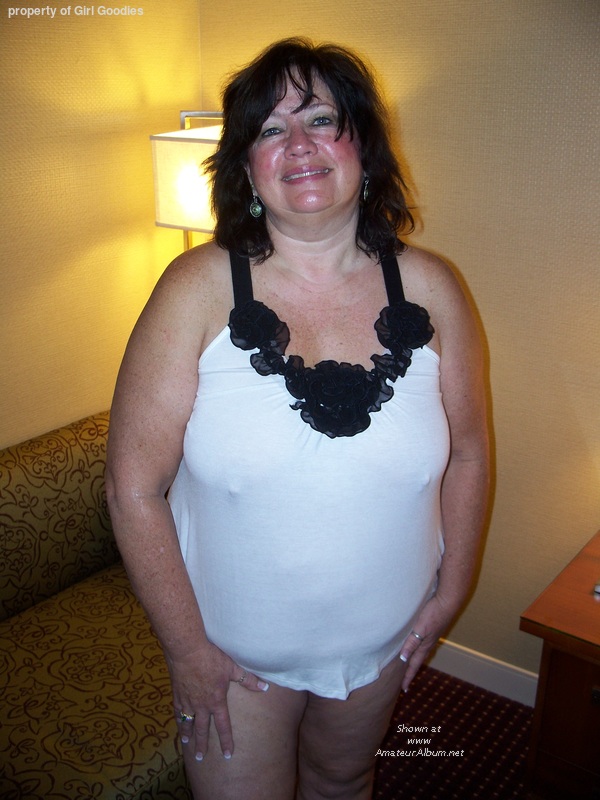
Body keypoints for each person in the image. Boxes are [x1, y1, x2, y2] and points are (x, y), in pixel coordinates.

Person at [106, 37, 489, 800]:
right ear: (246, 167)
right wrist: (186, 652)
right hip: (230, 656)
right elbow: (131, 488)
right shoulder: (193, 290)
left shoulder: (435, 288)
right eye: (271, 129)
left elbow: (471, 453)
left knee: (345, 780)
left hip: (382, 642)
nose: (299, 144)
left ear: (364, 148)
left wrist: (453, 589)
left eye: (320, 120)